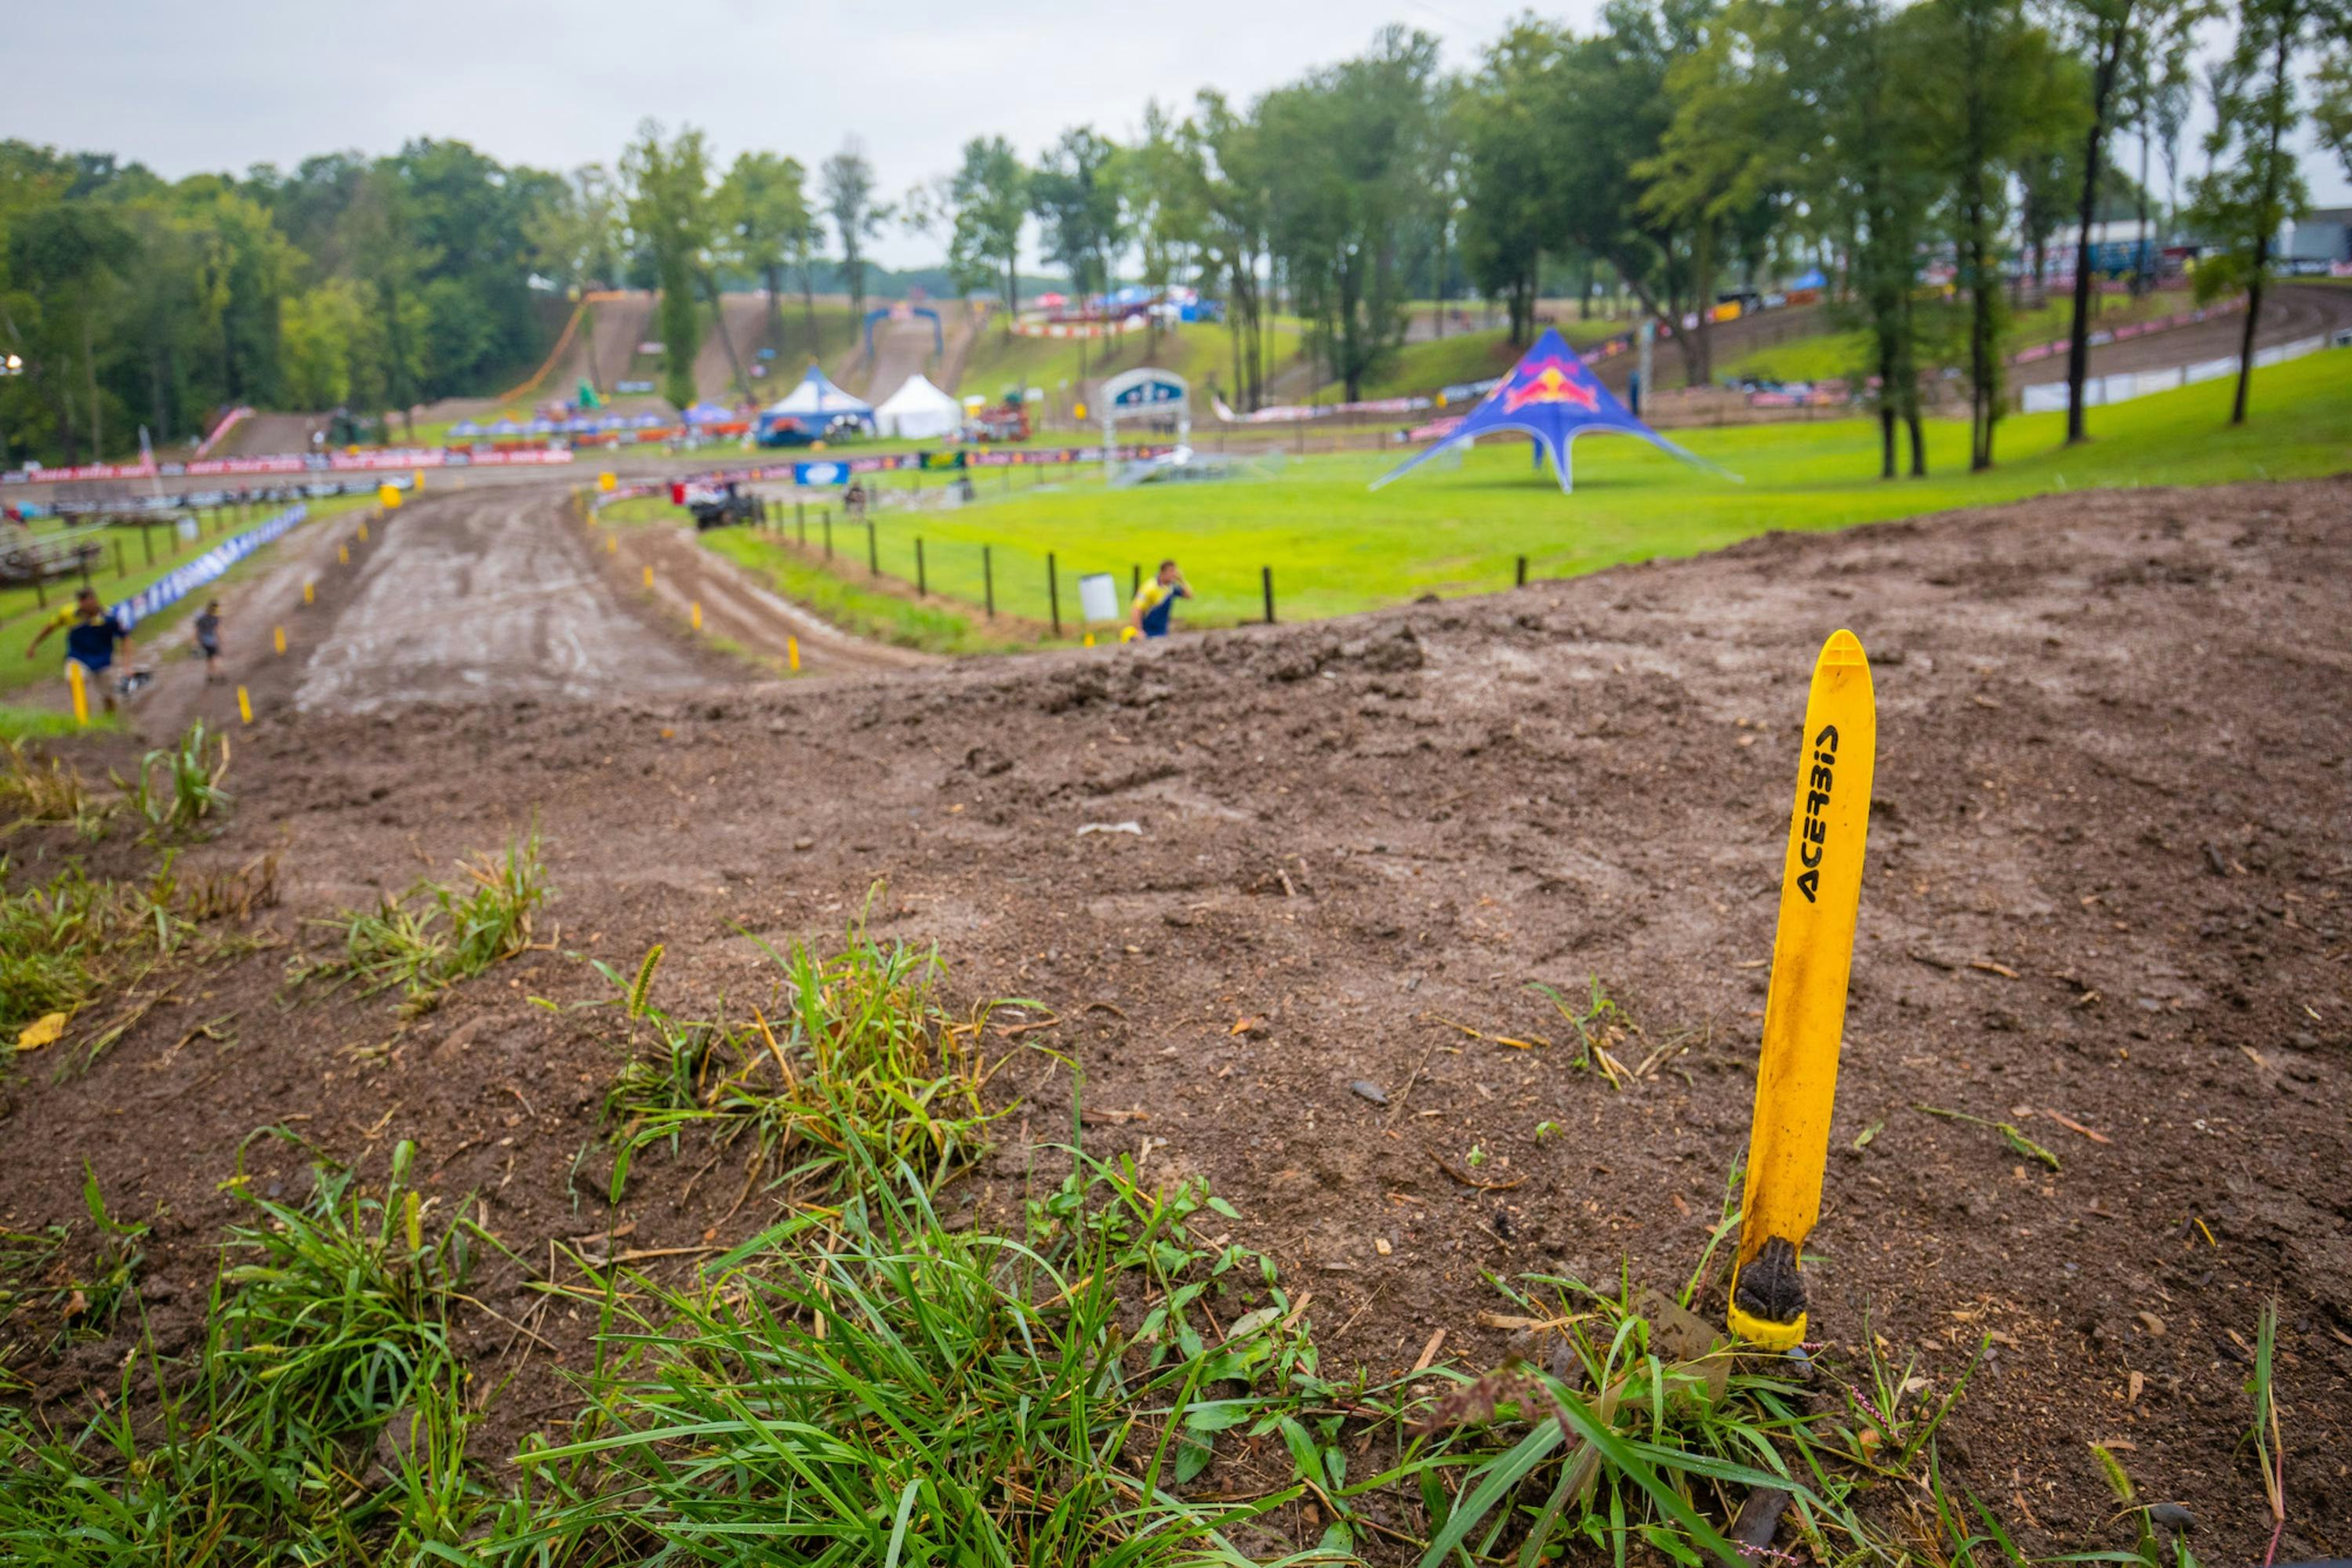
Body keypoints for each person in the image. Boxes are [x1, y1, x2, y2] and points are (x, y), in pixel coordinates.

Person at [25, 587, 133, 713]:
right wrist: (34, 644)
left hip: (102, 659)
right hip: (78, 656)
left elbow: (125, 638)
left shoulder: (109, 617)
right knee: (74, 680)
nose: (84, 606)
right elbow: (50, 627)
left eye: (87, 601)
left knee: (108, 695)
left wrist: (127, 666)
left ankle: (110, 714)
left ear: (94, 600)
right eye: (81, 602)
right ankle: (84, 715)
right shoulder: (68, 613)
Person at [1129, 560, 1192, 640]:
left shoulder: (1170, 587)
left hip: (1162, 632)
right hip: (1148, 632)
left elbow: (1189, 595)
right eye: (1171, 572)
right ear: (1163, 572)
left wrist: (1181, 580)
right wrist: (1138, 630)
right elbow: (1136, 609)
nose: (1174, 575)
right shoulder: (1150, 587)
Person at [194, 599, 224, 683]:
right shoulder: (215, 618)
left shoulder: (201, 618)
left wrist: (195, 642)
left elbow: (196, 631)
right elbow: (218, 630)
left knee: (208, 659)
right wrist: (222, 639)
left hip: (203, 642)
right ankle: (221, 673)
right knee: (217, 658)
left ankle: (210, 675)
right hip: (212, 641)